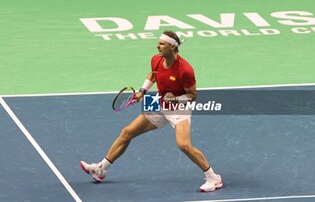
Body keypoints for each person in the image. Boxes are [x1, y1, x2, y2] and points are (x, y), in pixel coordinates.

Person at [80, 30, 223, 192]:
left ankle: (214, 178)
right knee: (127, 132)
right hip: (158, 102)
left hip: (179, 107)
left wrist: (175, 99)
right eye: (158, 43)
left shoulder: (185, 69)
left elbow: (192, 95)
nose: (157, 46)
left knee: (184, 145)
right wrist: (142, 91)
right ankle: (101, 169)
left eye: (162, 44)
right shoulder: (156, 60)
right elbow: (153, 75)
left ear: (173, 47)